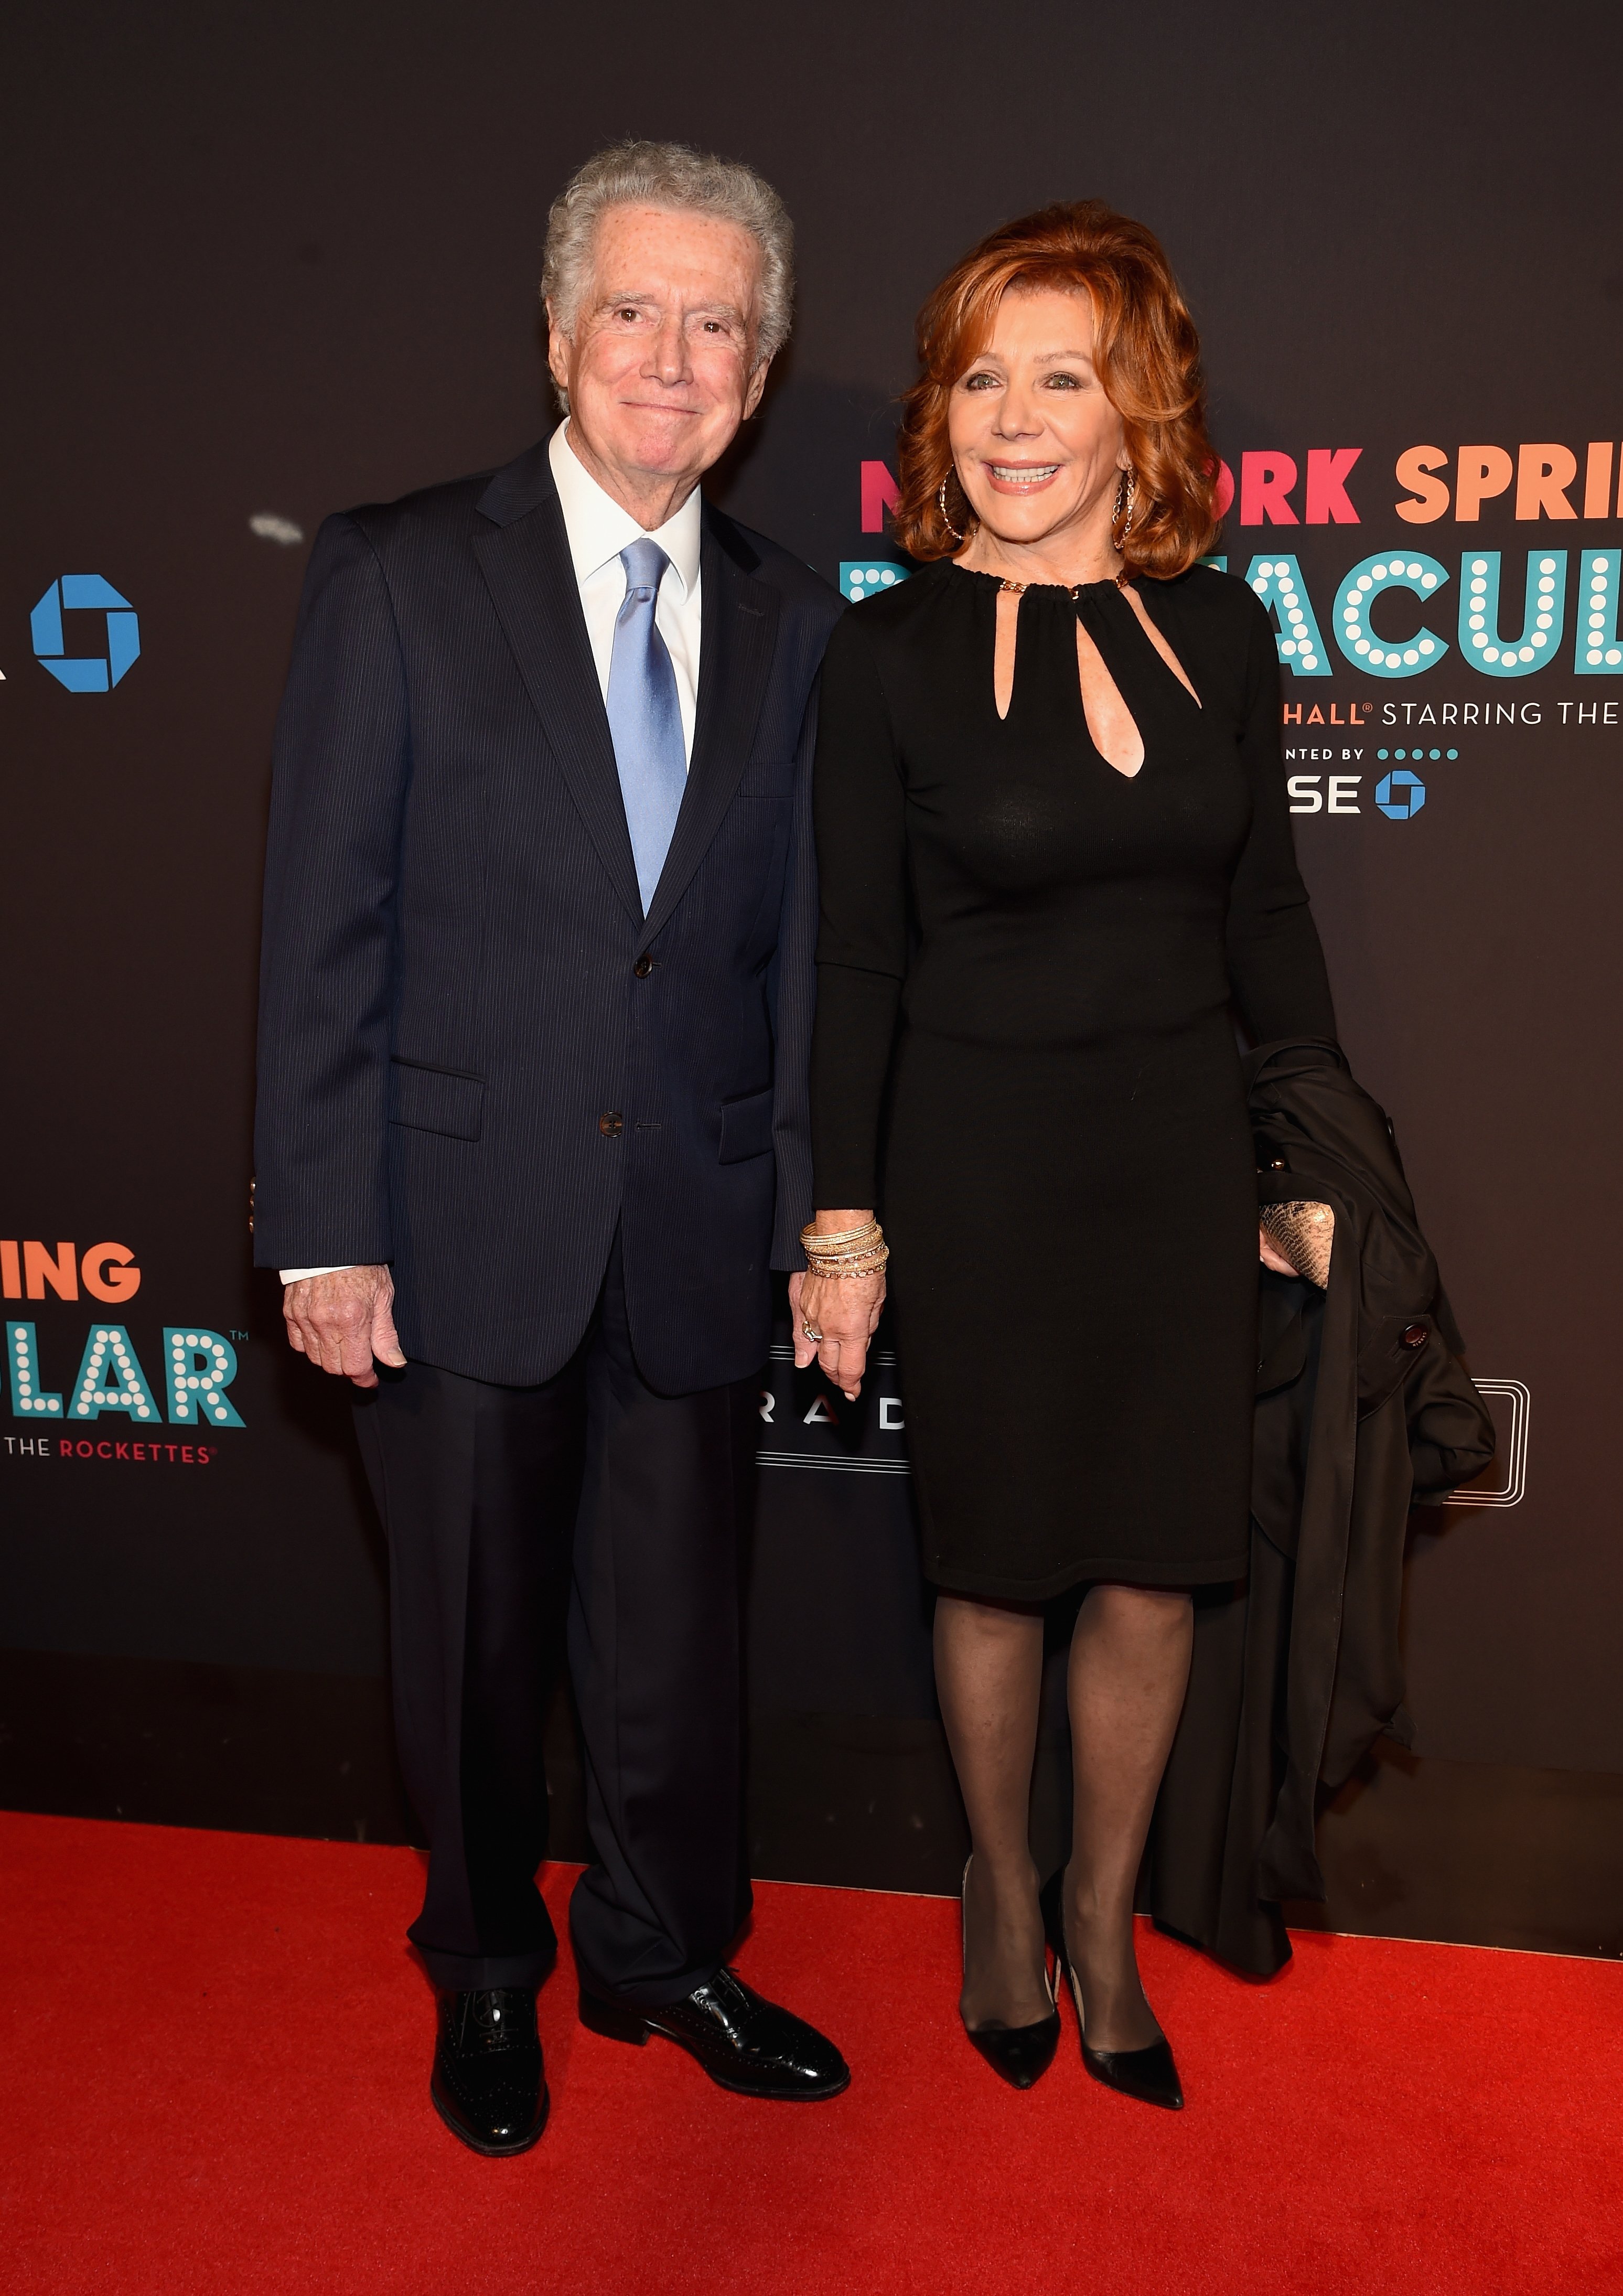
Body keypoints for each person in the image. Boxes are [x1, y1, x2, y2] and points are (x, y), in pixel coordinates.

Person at [255, 140, 849, 2155]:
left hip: (690, 1213)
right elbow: (321, 916)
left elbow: (788, 956)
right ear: (556, 333)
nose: (670, 361)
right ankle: (490, 1976)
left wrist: (801, 1216)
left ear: (758, 375)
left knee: (677, 1642)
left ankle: (663, 1952)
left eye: (715, 326)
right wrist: (323, 1220)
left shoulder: (793, 618)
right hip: (454, 1216)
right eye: (633, 311)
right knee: (476, 1643)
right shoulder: (401, 568)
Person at [797, 201, 1336, 2109]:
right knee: (1004, 1560)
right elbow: (856, 955)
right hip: (980, 1166)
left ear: (1139, 417)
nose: (1011, 419)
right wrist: (843, 1220)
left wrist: (1313, 1156)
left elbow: (1266, 915)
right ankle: (999, 1881)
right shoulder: (886, 661)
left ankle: (1103, 1911)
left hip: (1178, 1160)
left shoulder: (1229, 628)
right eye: (977, 377)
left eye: (1061, 377)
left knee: (1155, 1568)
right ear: (939, 411)